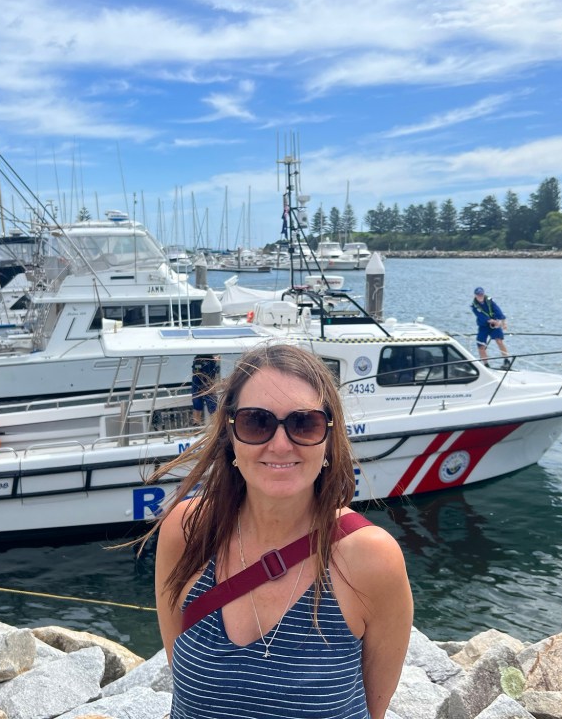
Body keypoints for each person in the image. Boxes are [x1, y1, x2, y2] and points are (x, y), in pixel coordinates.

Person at [145, 344, 412, 719]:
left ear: (329, 438)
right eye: (257, 422)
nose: (281, 444)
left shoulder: (371, 559)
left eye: (304, 424)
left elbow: (373, 708)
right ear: (230, 435)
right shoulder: (188, 531)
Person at [471, 286, 510, 369]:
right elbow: (481, 316)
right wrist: (493, 321)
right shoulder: (474, 306)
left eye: (481, 294)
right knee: (481, 345)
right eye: (478, 295)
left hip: (495, 324)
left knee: (499, 341)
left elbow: (498, 311)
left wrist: (503, 322)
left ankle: (506, 360)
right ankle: (486, 365)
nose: (480, 296)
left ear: (483, 294)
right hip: (483, 326)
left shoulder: (489, 301)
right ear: (475, 295)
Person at [190, 353, 220, 425]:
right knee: (198, 401)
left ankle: (215, 424)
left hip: (207, 362)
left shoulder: (210, 361)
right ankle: (196, 423)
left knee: (210, 402)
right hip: (203, 362)